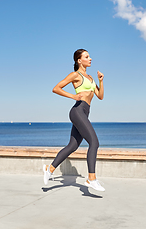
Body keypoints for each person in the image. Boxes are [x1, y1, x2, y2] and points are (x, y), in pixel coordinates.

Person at [43, 49, 105, 191]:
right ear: (79, 60)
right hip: (77, 111)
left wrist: (101, 82)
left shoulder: (90, 78)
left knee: (72, 146)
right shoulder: (75, 75)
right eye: (87, 57)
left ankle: (49, 168)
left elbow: (100, 96)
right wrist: (73, 96)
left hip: (85, 112)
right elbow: (56, 88)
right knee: (94, 142)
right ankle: (92, 179)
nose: (90, 59)